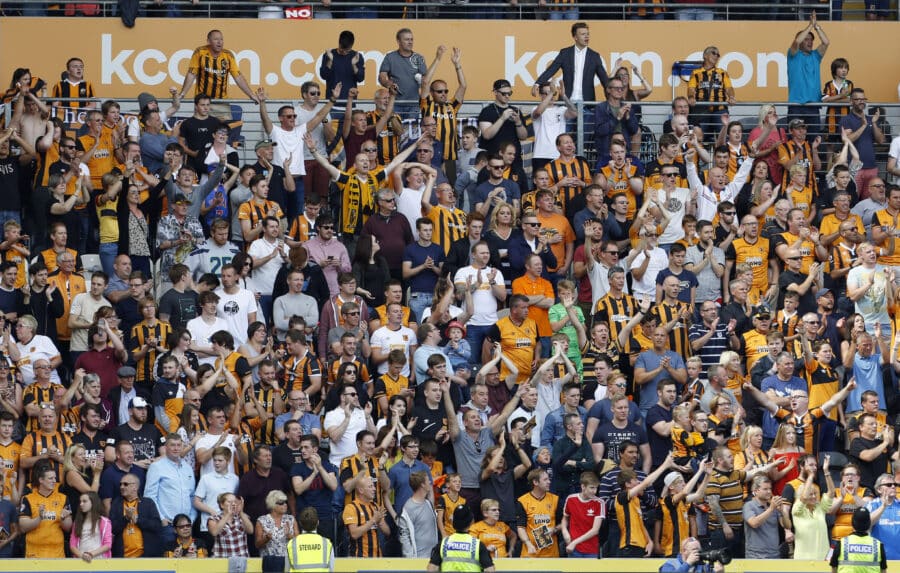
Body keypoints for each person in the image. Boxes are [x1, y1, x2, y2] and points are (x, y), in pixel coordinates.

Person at [19, 460, 73, 558]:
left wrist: (63, 518)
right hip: (34, 554)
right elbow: (23, 527)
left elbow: (68, 527)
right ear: (41, 480)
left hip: (57, 554)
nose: (54, 481)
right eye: (50, 478)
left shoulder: (63, 498)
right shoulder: (29, 499)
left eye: (55, 478)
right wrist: (39, 518)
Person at [109, 473, 163, 557]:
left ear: (135, 487)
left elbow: (157, 526)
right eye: (120, 484)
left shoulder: (148, 503)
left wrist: (137, 519)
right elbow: (112, 528)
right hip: (122, 556)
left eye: (125, 484)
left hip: (145, 556)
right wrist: (126, 518)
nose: (121, 487)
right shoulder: (116, 504)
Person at [428, 504, 495, 572]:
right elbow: (490, 570)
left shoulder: (443, 544)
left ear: (453, 522)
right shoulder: (477, 545)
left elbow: (432, 569)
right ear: (472, 522)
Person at [829, 507, 887, 573]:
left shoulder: (842, 543)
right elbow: (883, 570)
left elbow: (834, 567)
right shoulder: (878, 545)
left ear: (852, 523)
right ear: (868, 524)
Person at [254, 489, 298, 568]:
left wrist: (289, 536)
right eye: (281, 503)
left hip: (288, 562)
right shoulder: (262, 520)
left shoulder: (291, 519)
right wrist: (266, 538)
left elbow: (299, 542)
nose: (285, 505)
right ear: (272, 504)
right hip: (270, 563)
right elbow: (257, 544)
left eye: (285, 502)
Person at [285, 507, 334, 573]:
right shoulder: (327, 543)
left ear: (300, 523)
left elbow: (287, 569)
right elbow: (331, 569)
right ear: (318, 523)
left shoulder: (291, 544)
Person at [69, 491, 111, 562]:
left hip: (100, 560)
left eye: (84, 501)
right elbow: (72, 545)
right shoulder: (77, 522)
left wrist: (91, 554)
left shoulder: (104, 521)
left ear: (93, 502)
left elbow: (108, 544)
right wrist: (82, 556)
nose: (81, 504)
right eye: (80, 501)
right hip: (81, 560)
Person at [660, 537, 725, 573]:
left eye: (699, 550)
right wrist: (687, 564)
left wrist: (719, 572)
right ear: (684, 551)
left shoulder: (704, 566)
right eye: (694, 549)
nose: (697, 552)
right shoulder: (670, 564)